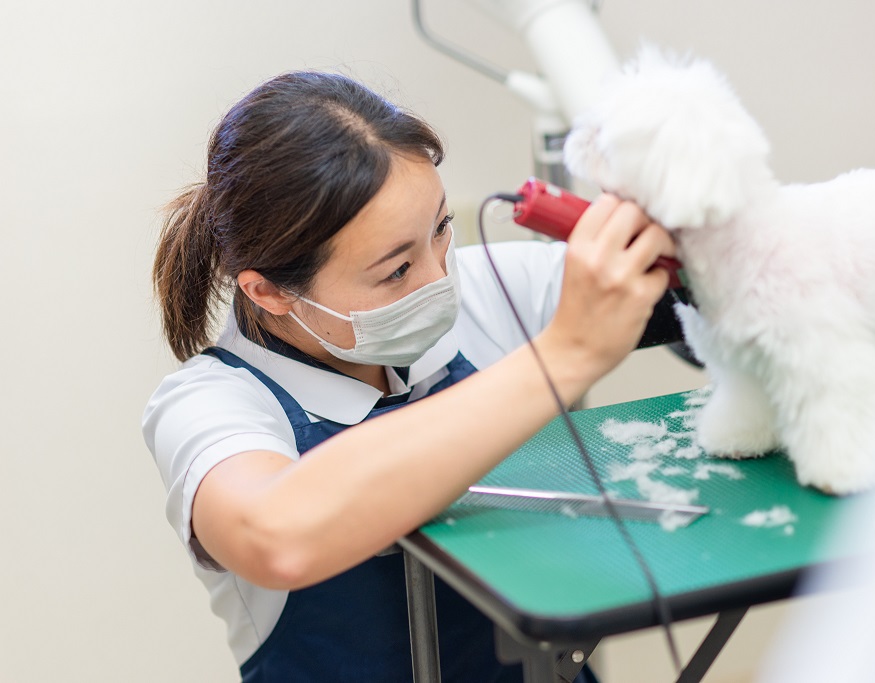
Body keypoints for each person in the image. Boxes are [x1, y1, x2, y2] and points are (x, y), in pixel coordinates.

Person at [143, 70, 678, 682]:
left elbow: (697, 293)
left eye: (441, 229)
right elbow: (276, 535)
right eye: (396, 270)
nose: (439, 281)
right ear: (268, 291)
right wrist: (564, 356)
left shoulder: (487, 288)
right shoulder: (211, 404)